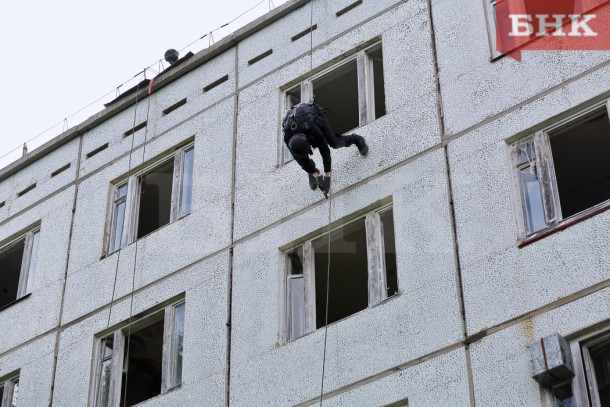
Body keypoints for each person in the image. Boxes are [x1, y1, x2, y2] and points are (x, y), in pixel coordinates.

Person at [283, 101, 368, 197]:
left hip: (313, 116)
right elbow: (301, 162)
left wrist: (327, 178)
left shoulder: (311, 127)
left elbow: (325, 152)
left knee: (334, 143)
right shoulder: (287, 138)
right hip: (299, 124)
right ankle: (312, 170)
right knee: (304, 160)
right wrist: (317, 176)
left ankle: (356, 139)